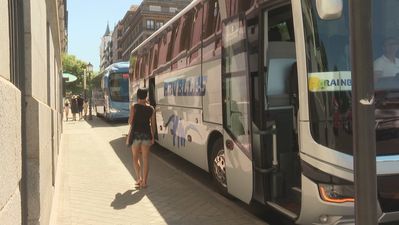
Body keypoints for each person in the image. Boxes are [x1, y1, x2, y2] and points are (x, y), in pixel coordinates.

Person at [128, 88, 156, 189]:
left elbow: (130, 122)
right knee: (145, 159)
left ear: (138, 96)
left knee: (135, 157)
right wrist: (153, 137)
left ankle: (138, 179)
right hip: (146, 136)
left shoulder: (134, 107)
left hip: (136, 135)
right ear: (146, 96)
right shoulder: (151, 109)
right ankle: (144, 182)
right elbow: (153, 125)